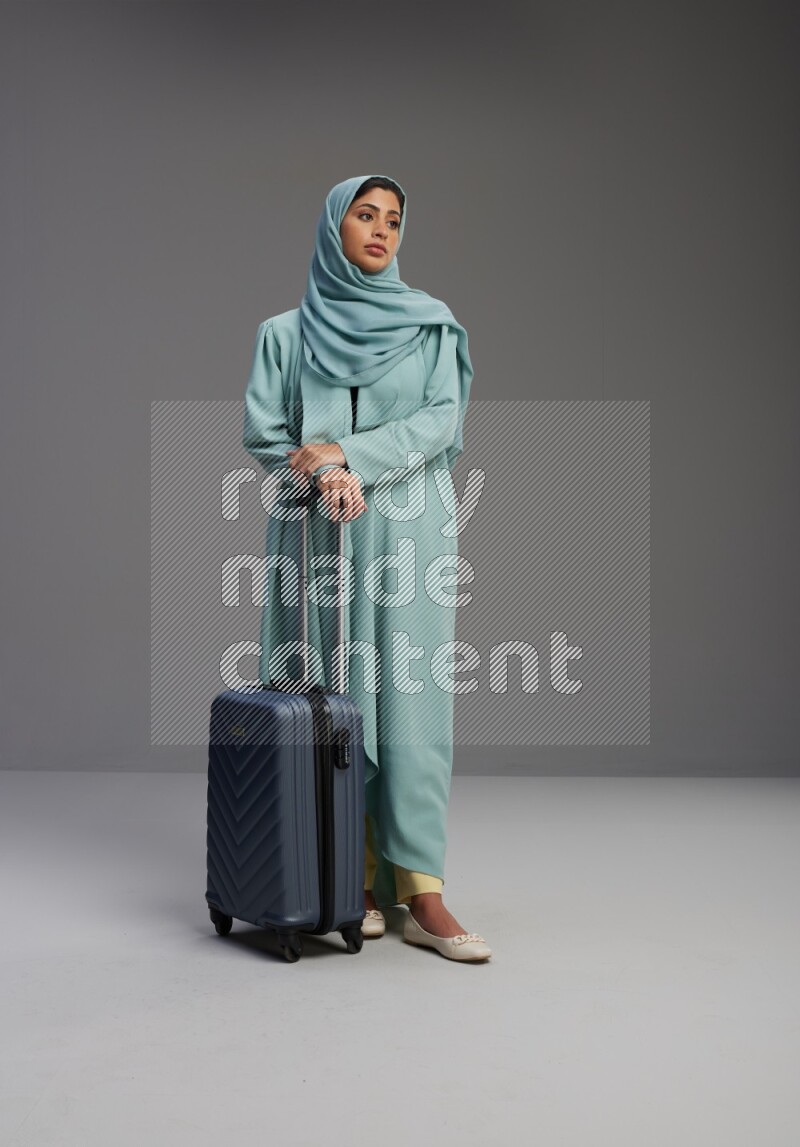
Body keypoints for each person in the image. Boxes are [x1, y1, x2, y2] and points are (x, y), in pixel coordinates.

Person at [242, 174, 492, 962]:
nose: (381, 231)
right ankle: (343, 868)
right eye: (365, 216)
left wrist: (349, 453)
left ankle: (421, 889)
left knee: (411, 698)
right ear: (334, 227)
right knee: (319, 694)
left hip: (409, 530)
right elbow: (263, 432)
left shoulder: (432, 328)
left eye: (393, 220)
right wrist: (319, 472)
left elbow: (441, 420)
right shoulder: (284, 333)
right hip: (315, 532)